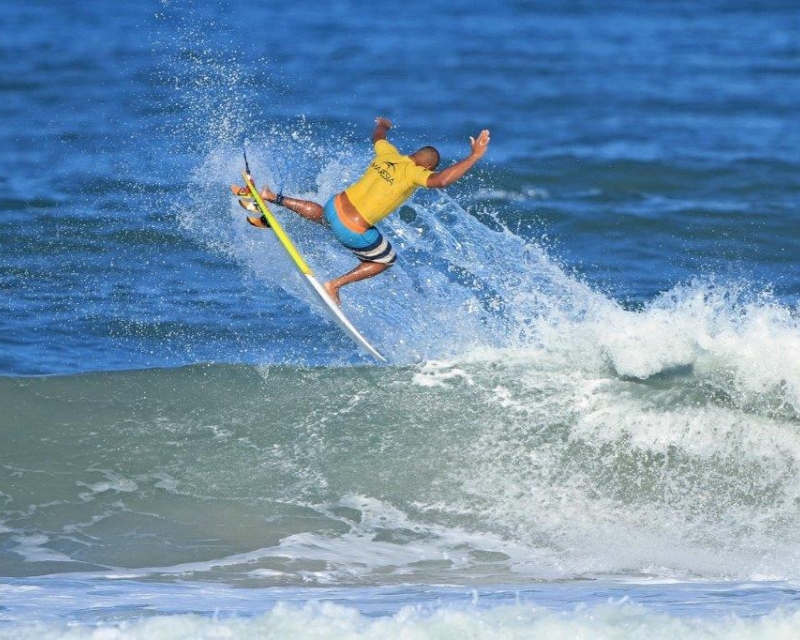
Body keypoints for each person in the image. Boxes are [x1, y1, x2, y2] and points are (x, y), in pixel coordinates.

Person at [231, 117, 490, 305]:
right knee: (385, 259)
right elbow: (442, 181)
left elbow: (378, 137)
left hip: (334, 206)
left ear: (412, 153)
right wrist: (474, 156)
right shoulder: (416, 174)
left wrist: (384, 124)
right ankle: (335, 285)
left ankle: (270, 196)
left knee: (324, 216)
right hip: (351, 229)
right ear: (428, 169)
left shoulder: (388, 154)